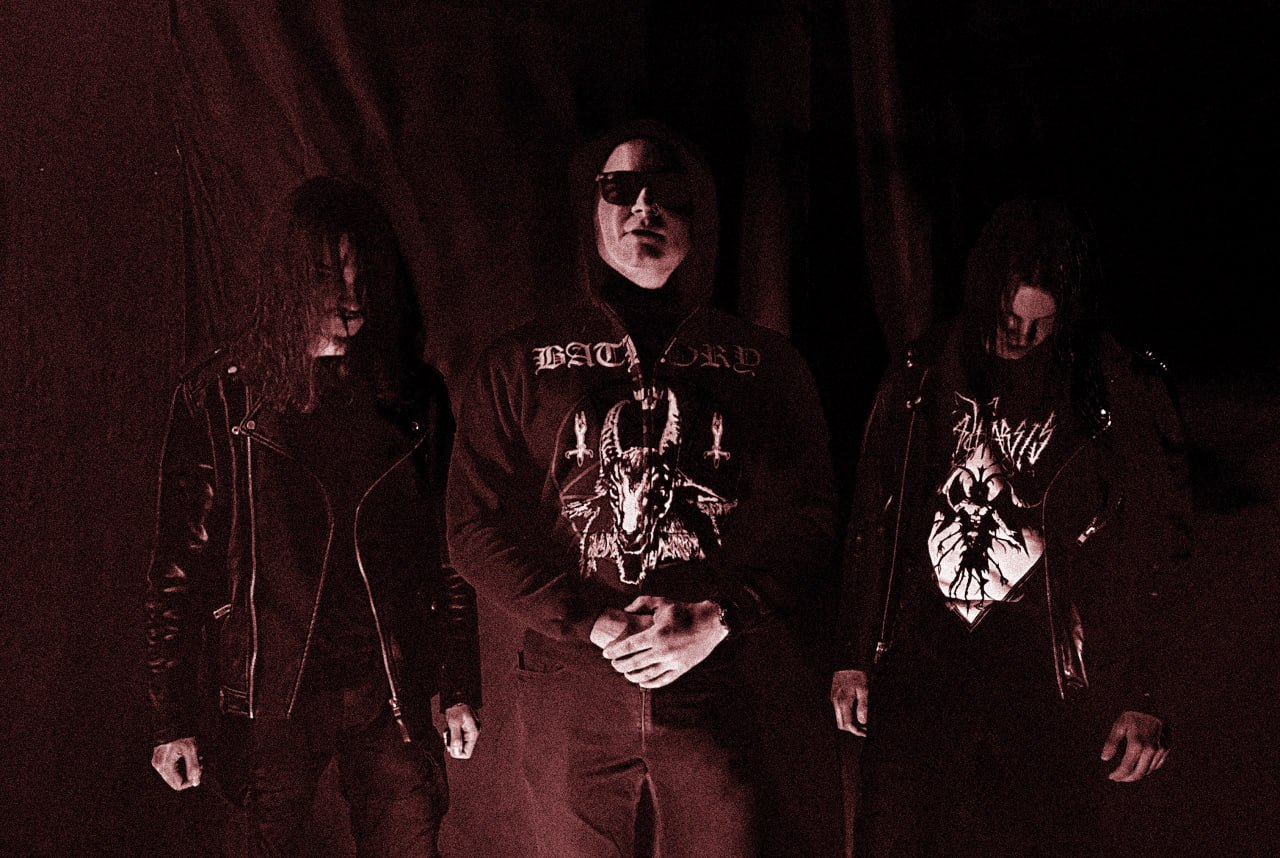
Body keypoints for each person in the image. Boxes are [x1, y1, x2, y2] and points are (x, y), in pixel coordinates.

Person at [446, 120, 842, 857]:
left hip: (719, 687)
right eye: (620, 187)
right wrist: (587, 621)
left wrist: (719, 615)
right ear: (591, 205)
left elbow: (812, 521)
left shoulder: (764, 365)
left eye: (666, 189)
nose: (643, 207)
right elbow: (472, 528)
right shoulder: (520, 362)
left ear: (702, 208)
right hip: (572, 691)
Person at [830, 196, 1192, 856]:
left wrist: (1147, 691)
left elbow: (1161, 539)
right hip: (921, 672)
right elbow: (874, 516)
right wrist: (854, 652)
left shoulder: (1113, 385)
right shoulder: (923, 369)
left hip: (1048, 682)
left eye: (1041, 322)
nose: (1022, 335)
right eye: (1009, 318)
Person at [145, 176, 481, 857]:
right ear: (286, 279)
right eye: (326, 275)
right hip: (268, 702)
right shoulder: (220, 397)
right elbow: (179, 567)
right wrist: (171, 716)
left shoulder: (413, 397)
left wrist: (457, 685)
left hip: (387, 691)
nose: (349, 298)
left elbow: (448, 552)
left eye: (362, 275)